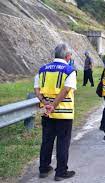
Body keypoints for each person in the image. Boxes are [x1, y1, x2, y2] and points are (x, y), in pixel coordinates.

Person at [34, 43, 76, 181]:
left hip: (47, 112)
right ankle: (61, 172)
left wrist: (46, 103)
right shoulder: (69, 70)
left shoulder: (42, 70)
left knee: (47, 141)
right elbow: (66, 90)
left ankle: (44, 169)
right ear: (68, 56)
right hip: (64, 113)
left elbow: (37, 90)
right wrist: (53, 104)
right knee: (63, 143)